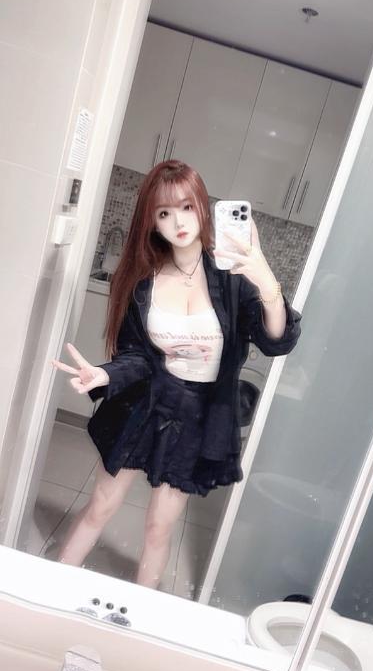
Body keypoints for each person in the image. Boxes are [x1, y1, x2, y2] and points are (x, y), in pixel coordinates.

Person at [52, 160, 302, 589]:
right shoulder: (143, 281)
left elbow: (276, 341)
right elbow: (137, 356)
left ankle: (138, 609)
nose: (178, 222)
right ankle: (51, 588)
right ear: (152, 221)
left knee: (158, 528)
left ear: (202, 207)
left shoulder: (233, 279)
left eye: (186, 207)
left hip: (196, 417)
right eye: (164, 212)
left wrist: (267, 283)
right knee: (100, 507)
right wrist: (104, 375)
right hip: (142, 406)